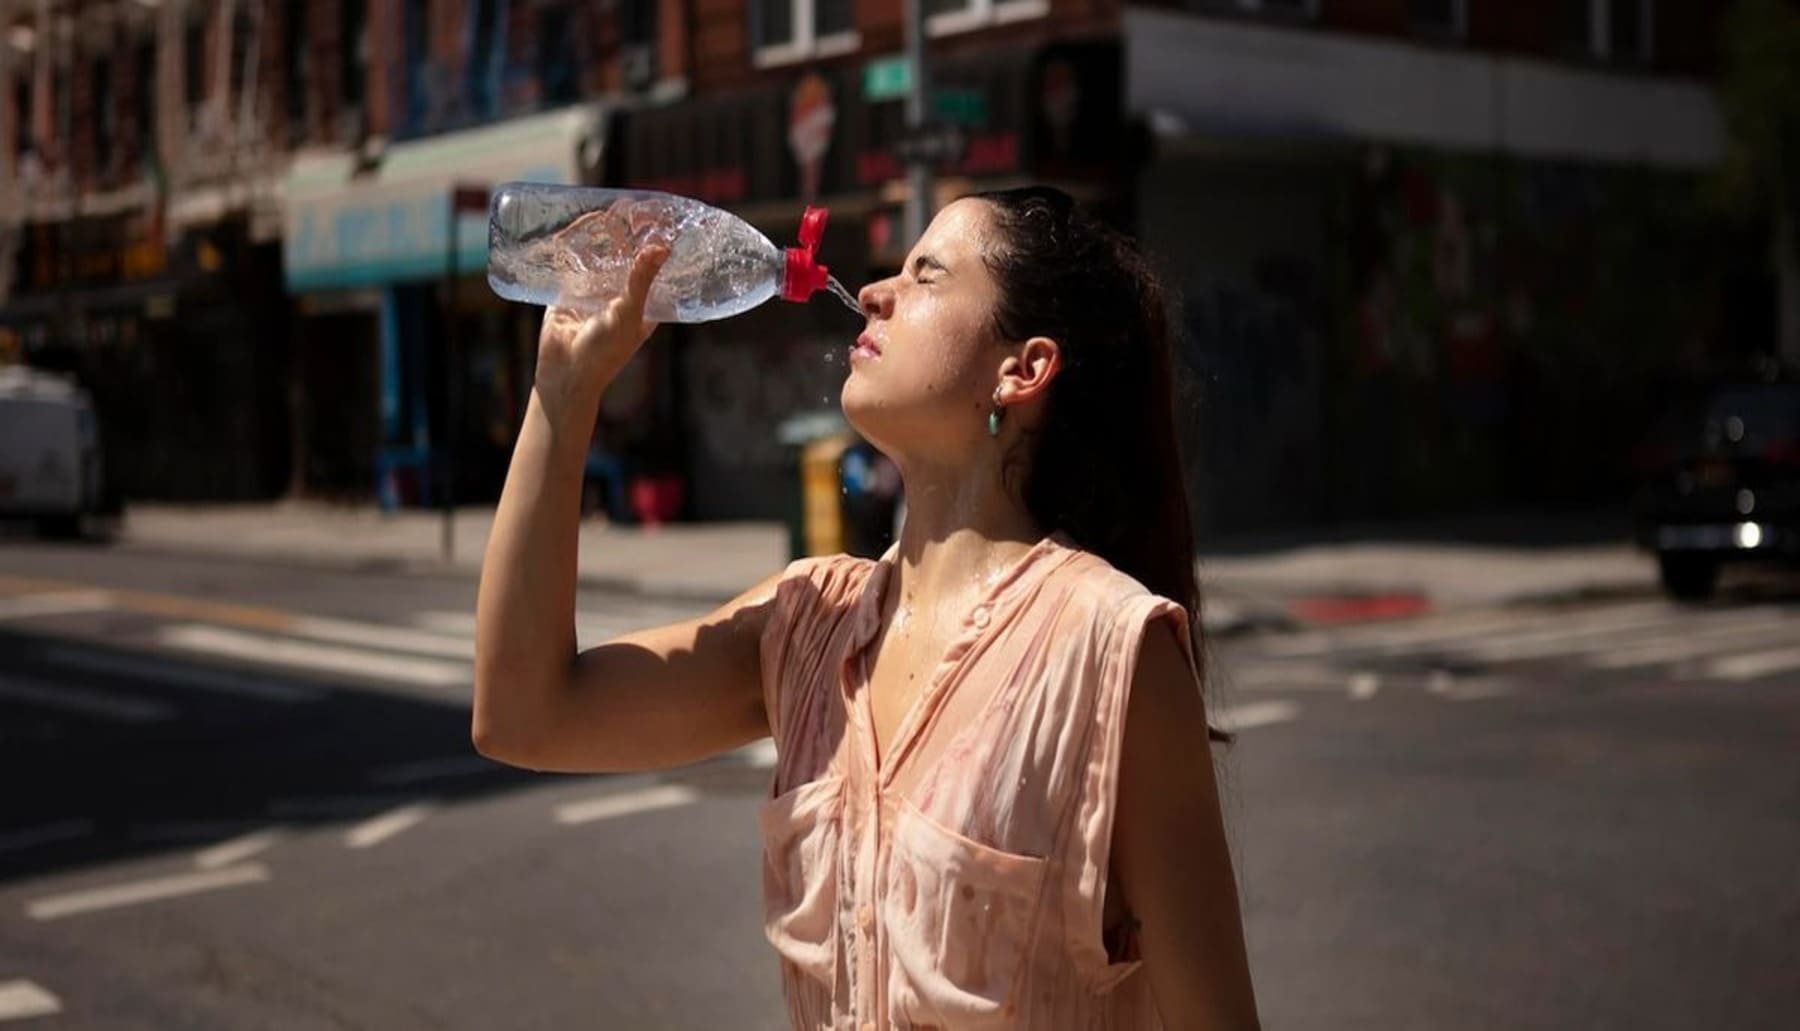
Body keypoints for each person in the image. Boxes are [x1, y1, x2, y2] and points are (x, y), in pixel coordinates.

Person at [473, 186, 1261, 1030]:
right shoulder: (806, 623)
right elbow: (525, 714)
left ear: (1023, 369)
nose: (879, 291)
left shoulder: (1110, 653)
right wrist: (563, 389)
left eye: (927, 274)